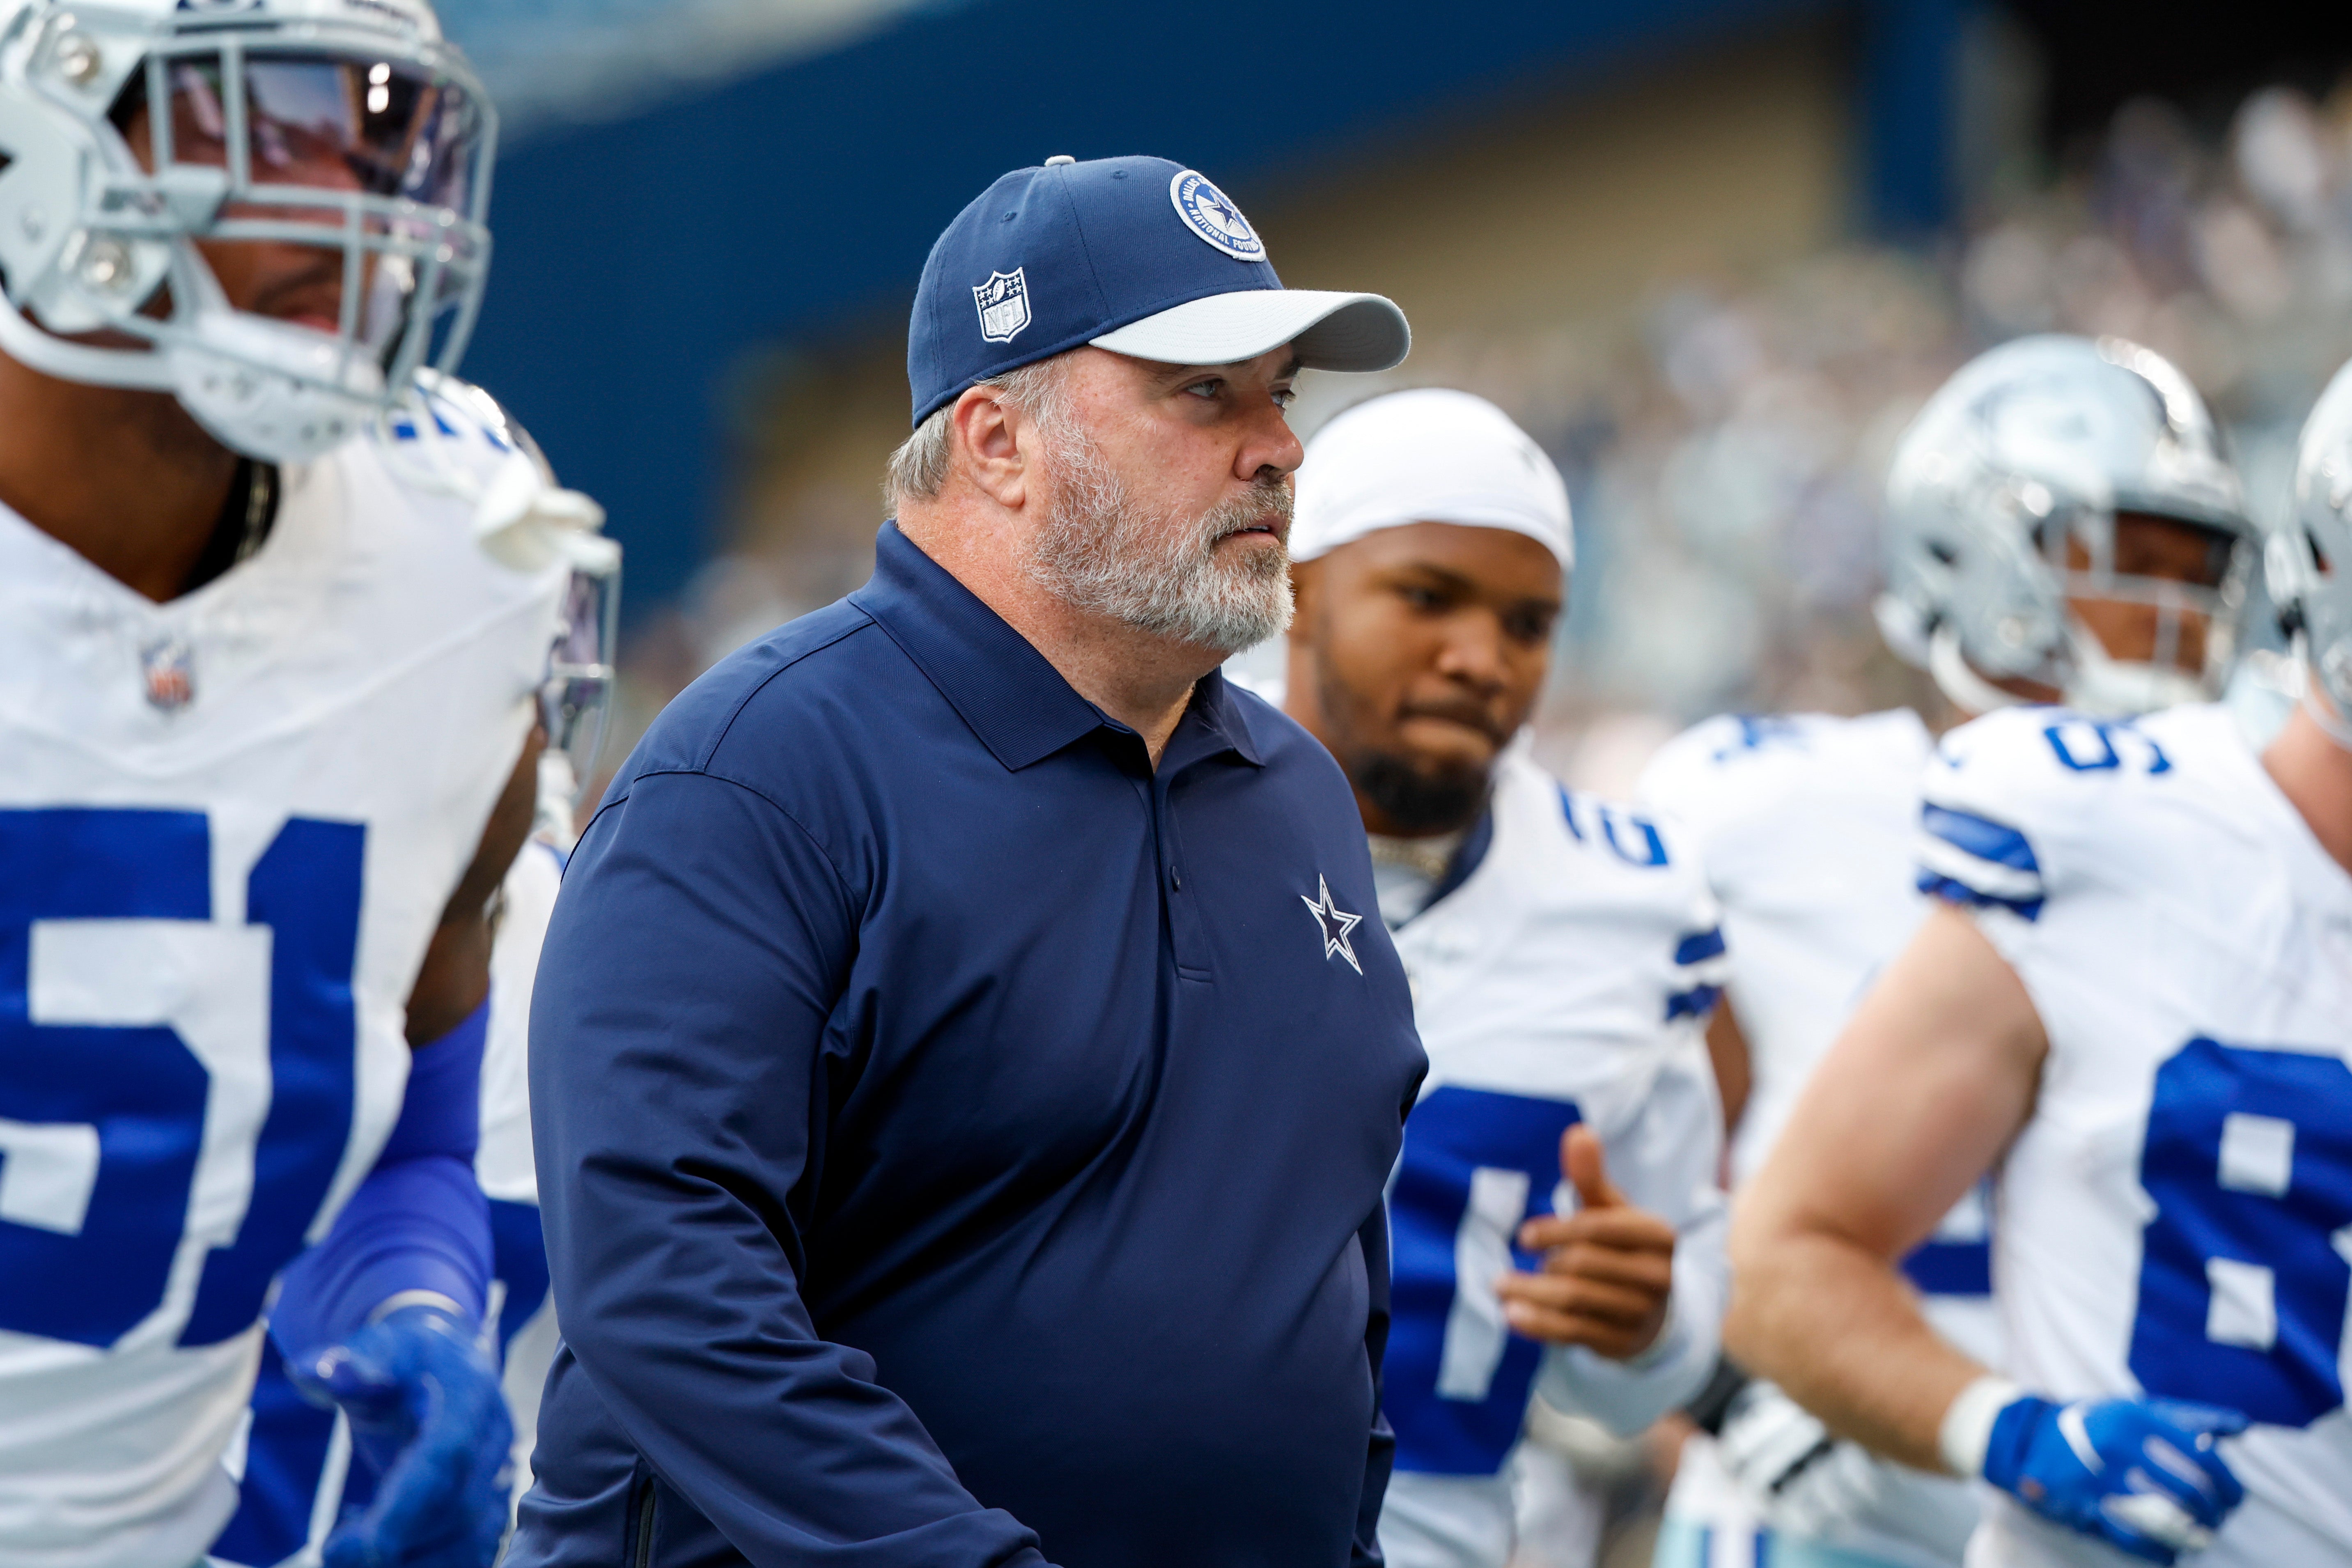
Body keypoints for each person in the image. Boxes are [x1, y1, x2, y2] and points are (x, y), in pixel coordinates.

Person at [514, 154, 1424, 1568]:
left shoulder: (1293, 789)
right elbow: (667, 1293)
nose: (1280, 449)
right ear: (996, 441)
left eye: (1280, 393)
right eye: (1204, 394)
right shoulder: (755, 772)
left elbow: (1321, 1269)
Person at [0, 2, 617, 1564]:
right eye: (263, 112)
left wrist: (412, 1301)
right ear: (44, 133)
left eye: (380, 122)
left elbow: (415, 1112)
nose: (347, 182)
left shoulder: (456, 567)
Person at [1637, 333, 2263, 1568]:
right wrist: (1709, 1393)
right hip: (1823, 1504)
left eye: (2199, 570)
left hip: (2110, 1496)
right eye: (2129, 559)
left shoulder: (2240, 848)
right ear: (1973, 547)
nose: (2174, 611)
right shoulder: (1764, 806)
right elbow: (1608, 1169)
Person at [1280, 388, 1729, 1568]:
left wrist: (1645, 1324)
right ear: (1297, 583)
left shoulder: (1634, 904)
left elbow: (1644, 1373)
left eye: (1529, 625)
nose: (1480, 658)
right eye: (1425, 597)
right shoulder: (1144, 813)